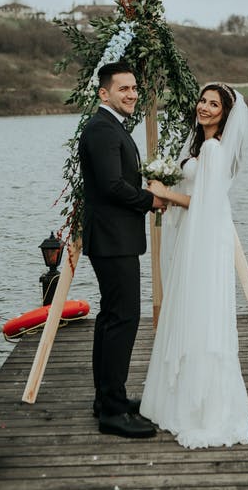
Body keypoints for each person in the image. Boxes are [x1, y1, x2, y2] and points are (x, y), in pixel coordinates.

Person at [140, 82, 248, 448]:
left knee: (201, 311)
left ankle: (202, 408)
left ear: (225, 114)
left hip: (204, 238)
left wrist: (161, 192)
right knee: (190, 309)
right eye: (202, 101)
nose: (204, 107)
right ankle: (179, 398)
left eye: (213, 104)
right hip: (197, 234)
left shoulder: (214, 149)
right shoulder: (200, 146)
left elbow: (202, 202)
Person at [78, 61, 166, 439]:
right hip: (112, 240)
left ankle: (106, 398)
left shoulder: (111, 127)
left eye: (134, 88)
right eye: (123, 89)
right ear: (104, 93)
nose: (131, 94)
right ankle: (112, 411)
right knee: (124, 319)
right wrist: (151, 200)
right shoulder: (102, 129)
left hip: (115, 238)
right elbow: (112, 186)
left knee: (111, 317)